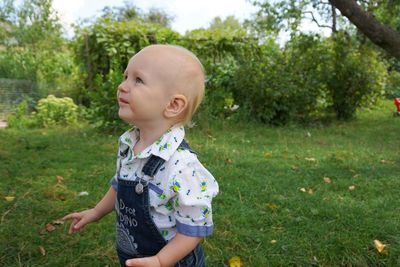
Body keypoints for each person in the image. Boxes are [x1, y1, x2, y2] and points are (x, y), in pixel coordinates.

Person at [62, 44, 219, 267]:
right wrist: (96, 211)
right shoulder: (129, 143)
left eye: (138, 80)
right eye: (126, 76)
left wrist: (160, 260)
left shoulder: (182, 167)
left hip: (171, 260)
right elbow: (121, 185)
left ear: (173, 104)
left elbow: (193, 230)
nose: (122, 86)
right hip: (135, 255)